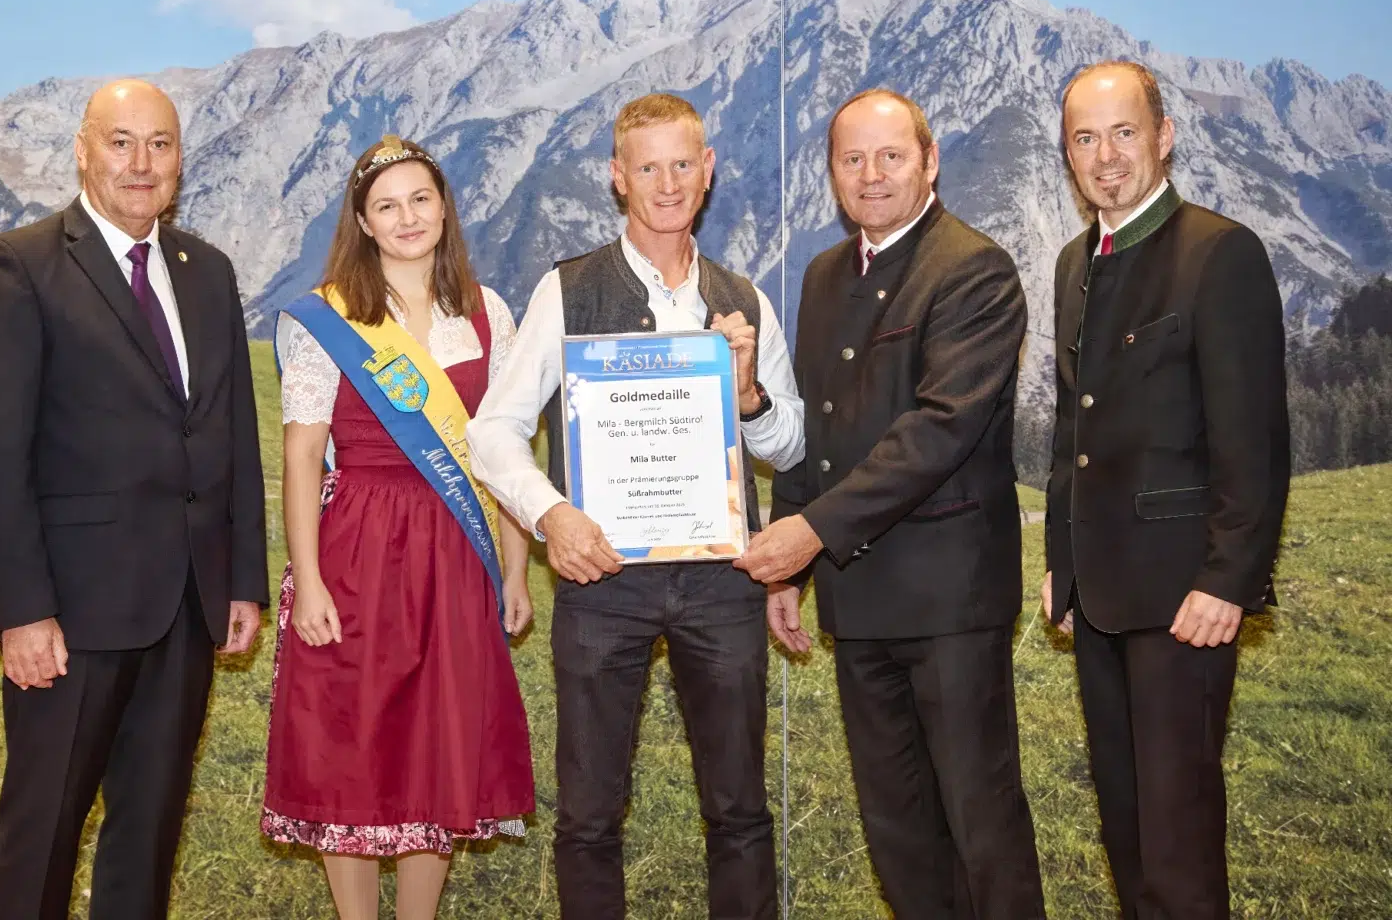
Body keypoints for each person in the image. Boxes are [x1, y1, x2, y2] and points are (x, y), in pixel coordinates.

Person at [467, 93, 804, 920]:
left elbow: (789, 447)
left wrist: (751, 389)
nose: (666, 183)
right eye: (646, 167)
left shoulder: (745, 299)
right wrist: (553, 517)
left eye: (681, 164)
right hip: (601, 577)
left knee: (739, 810)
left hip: (723, 581)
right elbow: (493, 432)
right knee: (587, 815)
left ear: (709, 169)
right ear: (617, 179)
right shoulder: (567, 289)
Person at [0, 79, 269, 919]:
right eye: (121, 142)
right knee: (43, 834)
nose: (141, 162)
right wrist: (22, 612)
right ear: (83, 151)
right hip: (70, 618)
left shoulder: (208, 272)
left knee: (149, 836)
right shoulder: (16, 266)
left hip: (188, 607)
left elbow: (231, 431)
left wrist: (242, 579)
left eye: (160, 144)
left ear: (179, 161)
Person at [737, 89, 1046, 919]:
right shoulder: (825, 273)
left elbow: (939, 432)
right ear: (832, 173)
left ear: (930, 160)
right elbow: (818, 429)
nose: (871, 176)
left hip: (949, 599)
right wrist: (788, 567)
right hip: (858, 599)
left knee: (981, 825)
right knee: (898, 830)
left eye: (891, 156)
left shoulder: (974, 268)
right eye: (852, 159)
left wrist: (809, 532)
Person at [261, 135, 536, 920]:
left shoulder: (488, 314)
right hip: (359, 545)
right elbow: (304, 455)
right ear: (364, 222)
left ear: (444, 207)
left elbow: (503, 452)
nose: (407, 217)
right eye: (387, 205)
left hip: (457, 547)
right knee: (352, 738)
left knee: (438, 742)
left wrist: (514, 570)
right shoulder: (326, 318)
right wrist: (306, 580)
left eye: (420, 199)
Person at [1041, 61, 1289, 919]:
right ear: (1067, 154)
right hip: (1100, 594)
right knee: (1127, 828)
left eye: (1123, 133)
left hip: (1186, 597)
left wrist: (1229, 580)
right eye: (1085, 138)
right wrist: (1057, 563)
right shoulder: (1076, 262)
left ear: (1163, 137)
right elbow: (1071, 431)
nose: (1106, 157)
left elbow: (1253, 442)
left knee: (1179, 843)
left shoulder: (1221, 253)